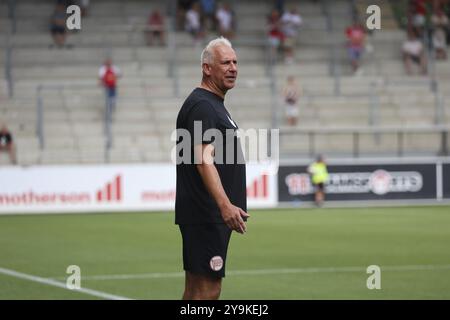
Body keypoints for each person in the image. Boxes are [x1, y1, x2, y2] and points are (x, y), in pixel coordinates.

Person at [175, 37, 249, 300]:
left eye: (235, 62)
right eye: (225, 62)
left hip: (204, 213)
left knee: (196, 289)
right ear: (207, 68)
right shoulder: (203, 106)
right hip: (207, 214)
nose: (233, 68)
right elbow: (203, 159)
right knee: (208, 290)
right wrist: (224, 205)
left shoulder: (211, 104)